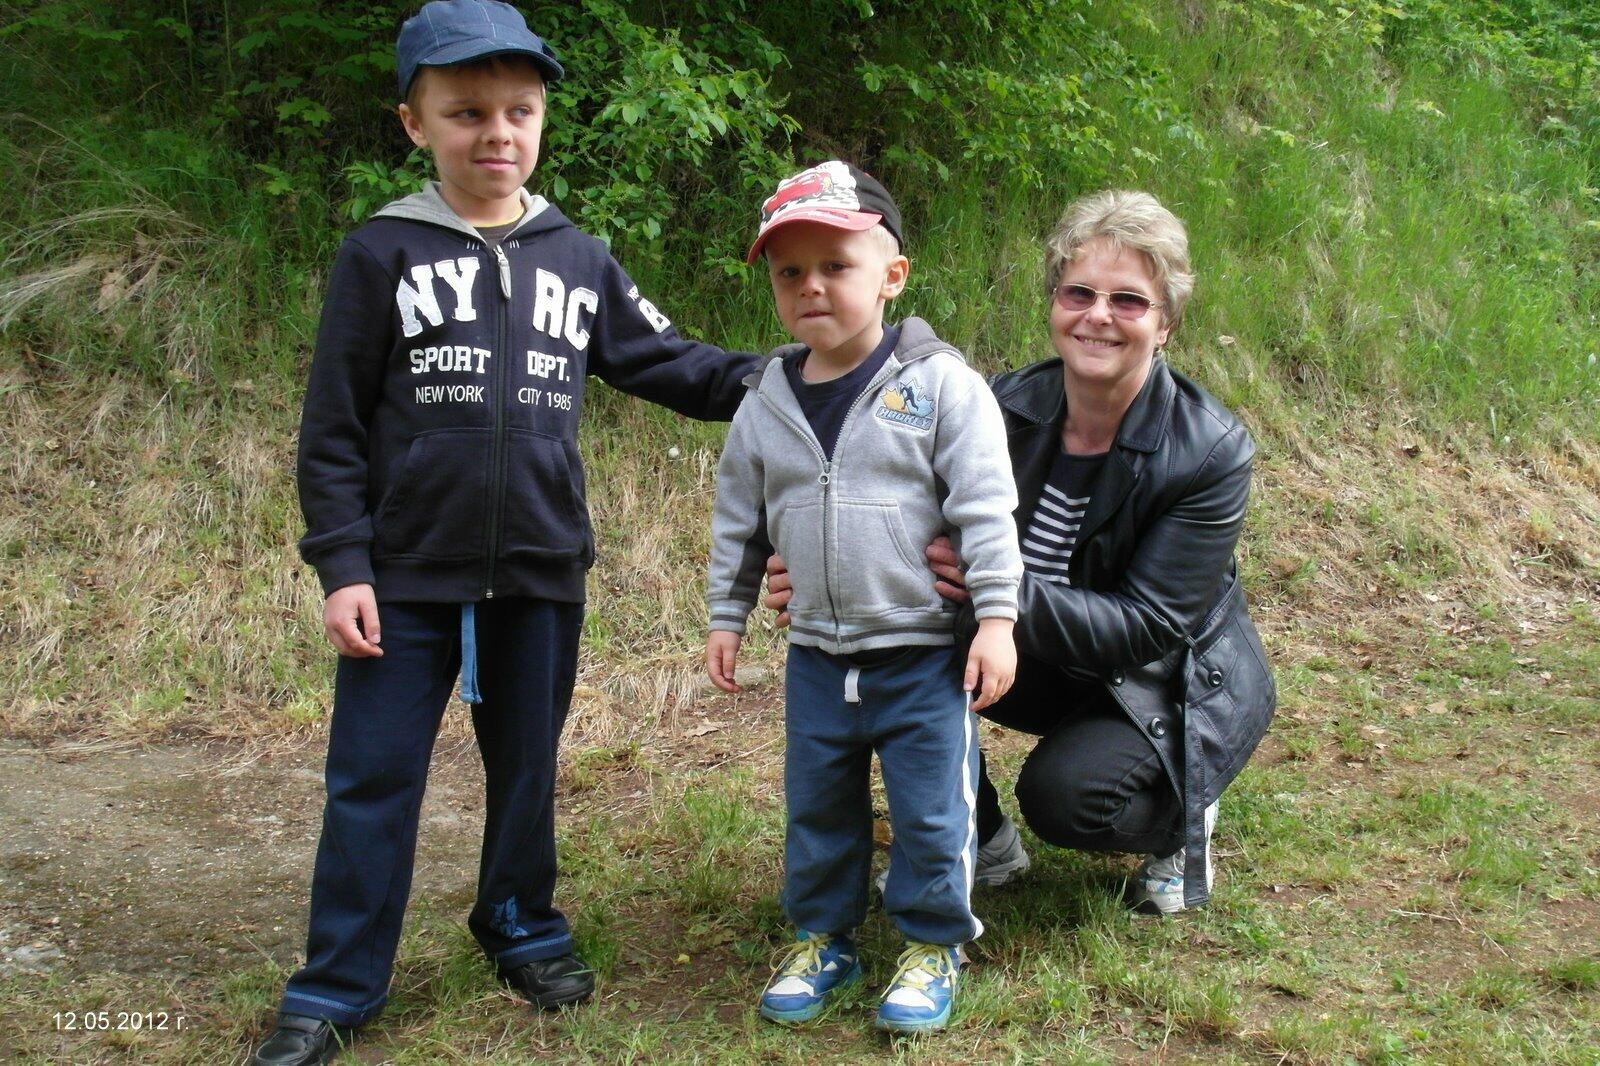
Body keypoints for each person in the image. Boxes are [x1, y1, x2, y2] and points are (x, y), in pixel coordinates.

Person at [252, 4, 761, 1064]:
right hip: (404, 578)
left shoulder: (578, 256)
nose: (496, 132)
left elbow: (675, 363)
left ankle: (520, 923)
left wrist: (802, 375)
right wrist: (343, 564)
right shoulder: (380, 252)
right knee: (372, 778)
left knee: (526, 770)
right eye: (466, 112)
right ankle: (336, 986)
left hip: (539, 567)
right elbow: (332, 426)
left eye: (518, 111)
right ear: (415, 122)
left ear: (540, 120)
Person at [766, 189, 1275, 918]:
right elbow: (894, 517)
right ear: (1054, 303)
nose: (1098, 315)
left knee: (1069, 799)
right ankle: (983, 842)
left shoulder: (1210, 450)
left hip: (1158, 681)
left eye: (1129, 301)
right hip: (1034, 653)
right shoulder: (995, 406)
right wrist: (820, 570)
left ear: (1166, 323)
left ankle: (1179, 809)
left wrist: (999, 589)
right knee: (890, 658)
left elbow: (1150, 627)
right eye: (1079, 293)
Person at [705, 161, 1023, 1033]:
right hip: (815, 653)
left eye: (836, 266)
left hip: (922, 654)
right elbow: (739, 520)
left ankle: (933, 944)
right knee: (817, 806)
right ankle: (823, 938)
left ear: (893, 275)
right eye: (789, 272)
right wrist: (727, 616)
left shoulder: (941, 386)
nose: (811, 286)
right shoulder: (765, 402)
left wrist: (996, 619)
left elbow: (986, 508)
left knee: (930, 808)